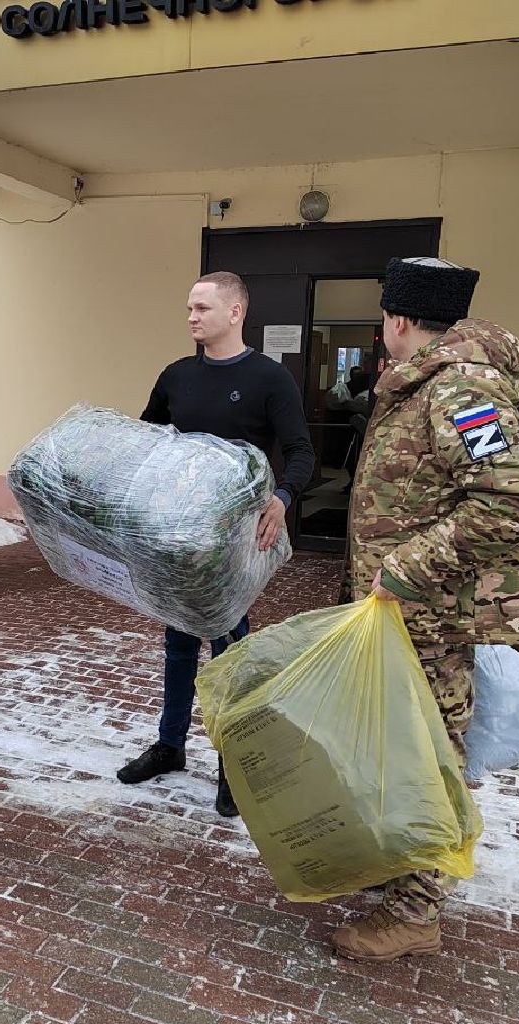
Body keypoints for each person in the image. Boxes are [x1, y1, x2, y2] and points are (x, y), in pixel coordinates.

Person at [335, 256, 519, 962]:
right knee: (404, 750)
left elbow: (510, 502)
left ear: (397, 319)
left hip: (431, 615)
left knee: (428, 759)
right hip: (406, 614)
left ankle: (417, 911)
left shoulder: (463, 390)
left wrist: (404, 569)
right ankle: (403, 878)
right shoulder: (424, 384)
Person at [117, 271, 315, 817]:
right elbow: (147, 443)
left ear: (235, 312)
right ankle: (170, 746)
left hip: (235, 541)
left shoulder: (270, 379)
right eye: (188, 308)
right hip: (178, 537)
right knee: (178, 643)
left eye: (202, 307)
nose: (191, 317)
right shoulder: (176, 376)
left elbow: (301, 451)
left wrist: (281, 497)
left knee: (230, 651)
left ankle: (234, 766)